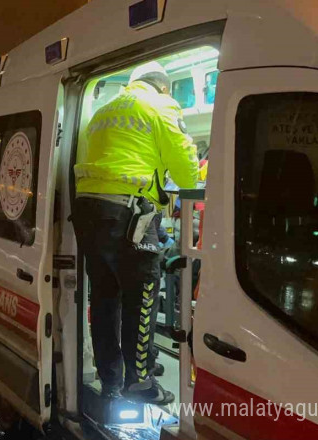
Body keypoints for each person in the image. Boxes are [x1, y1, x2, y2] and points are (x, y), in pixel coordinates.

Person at [73, 61, 199, 404]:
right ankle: (139, 382)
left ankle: (112, 377)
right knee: (141, 296)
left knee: (103, 297)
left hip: (88, 210)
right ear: (163, 86)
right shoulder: (161, 104)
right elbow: (187, 173)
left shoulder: (103, 111)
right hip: (129, 212)